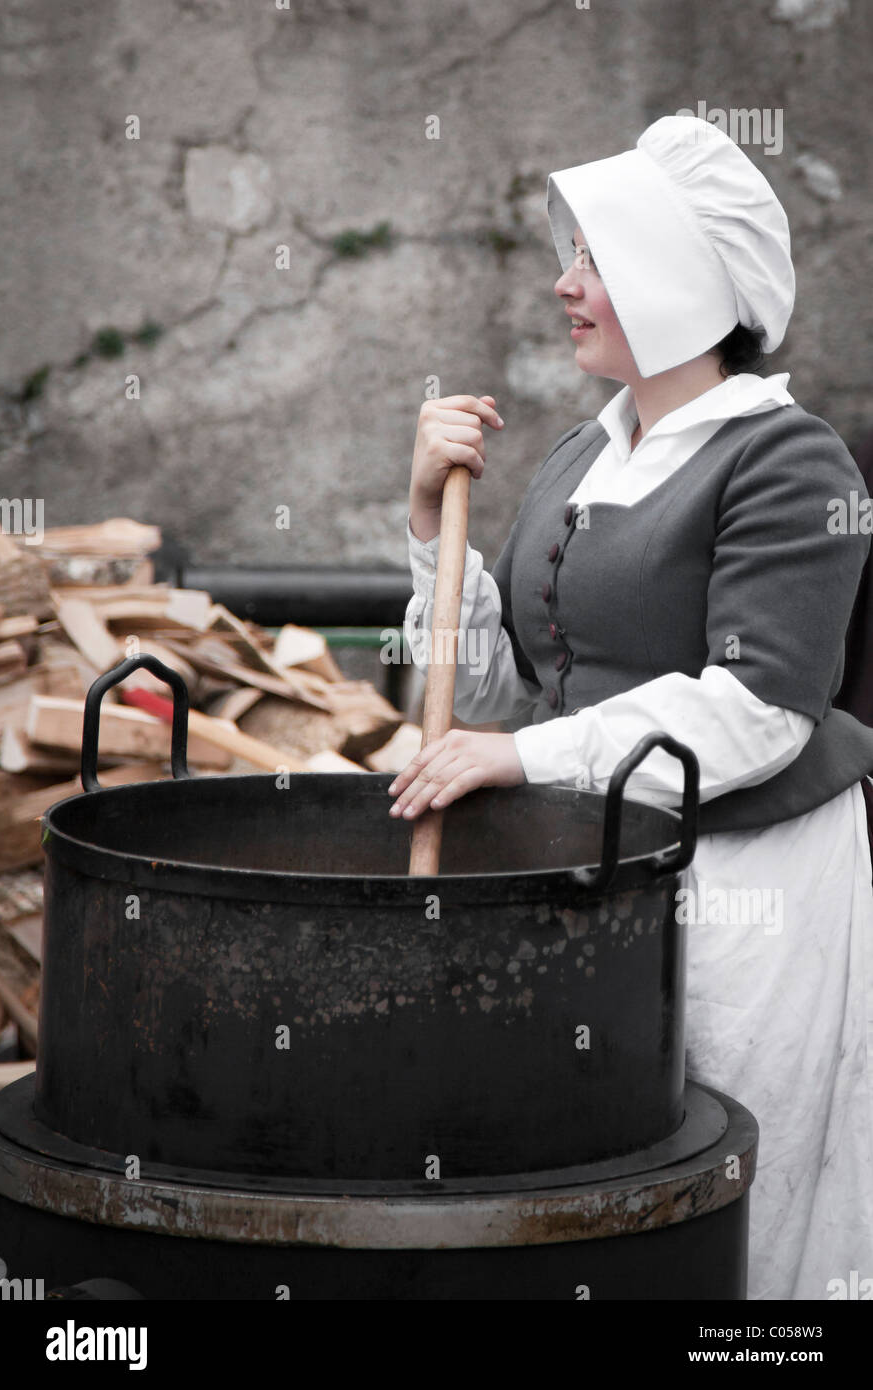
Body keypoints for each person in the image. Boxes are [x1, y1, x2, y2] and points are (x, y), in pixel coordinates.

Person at [390, 115, 873, 1301]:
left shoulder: (788, 462)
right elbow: (495, 699)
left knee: (732, 1178)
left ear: (680, 279)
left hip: (746, 892)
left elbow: (759, 710)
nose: (563, 283)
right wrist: (419, 526)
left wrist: (519, 758)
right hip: (593, 875)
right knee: (605, 1188)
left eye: (594, 259)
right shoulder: (577, 458)